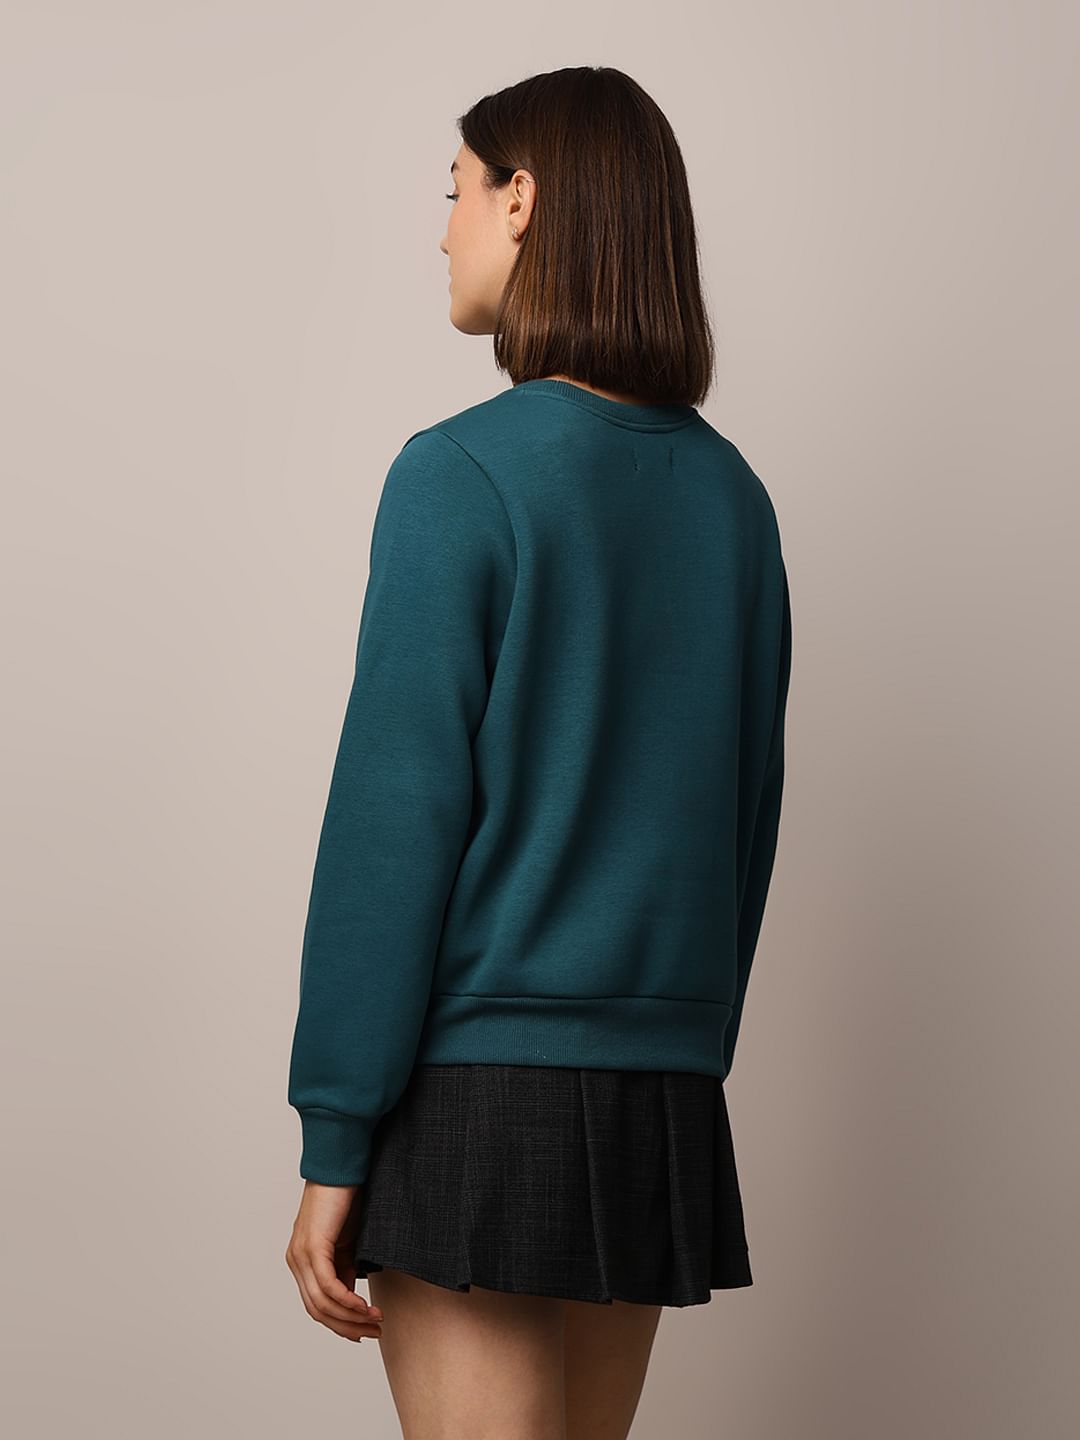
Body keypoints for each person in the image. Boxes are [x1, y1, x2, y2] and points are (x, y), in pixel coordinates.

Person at [284, 64, 792, 1440]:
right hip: (658, 1092)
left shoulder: (459, 474)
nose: (441, 228)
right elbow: (745, 826)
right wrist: (680, 1050)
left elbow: (392, 823)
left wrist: (336, 1132)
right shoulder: (735, 503)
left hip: (478, 1092)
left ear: (523, 199)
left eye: (454, 189)